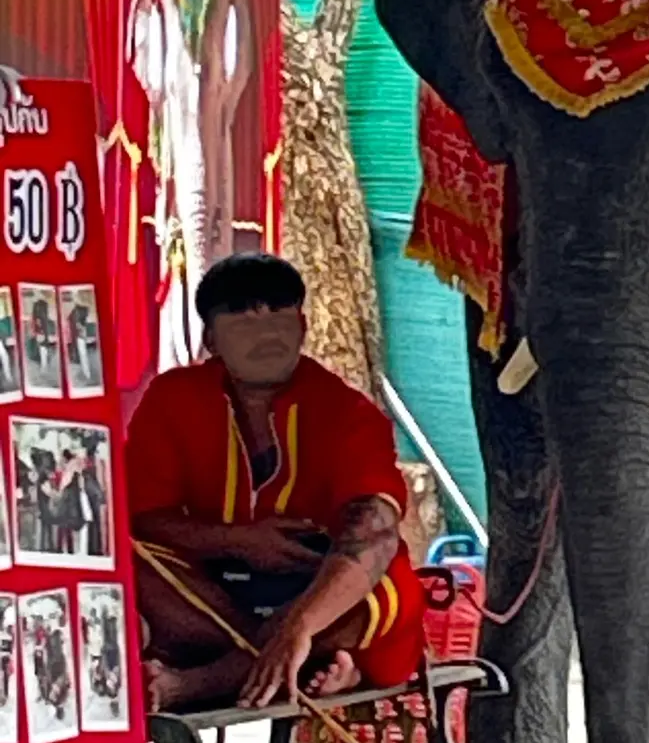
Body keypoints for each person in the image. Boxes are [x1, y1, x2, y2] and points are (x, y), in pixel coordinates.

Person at [126, 252, 426, 713]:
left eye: (279, 317)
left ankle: (203, 683)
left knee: (390, 585)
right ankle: (299, 664)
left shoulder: (348, 414)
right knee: (131, 560)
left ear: (302, 327)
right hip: (215, 589)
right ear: (211, 339)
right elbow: (142, 517)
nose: (266, 334)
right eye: (244, 320)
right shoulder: (173, 398)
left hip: (315, 587)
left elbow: (375, 529)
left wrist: (300, 626)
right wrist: (237, 541)